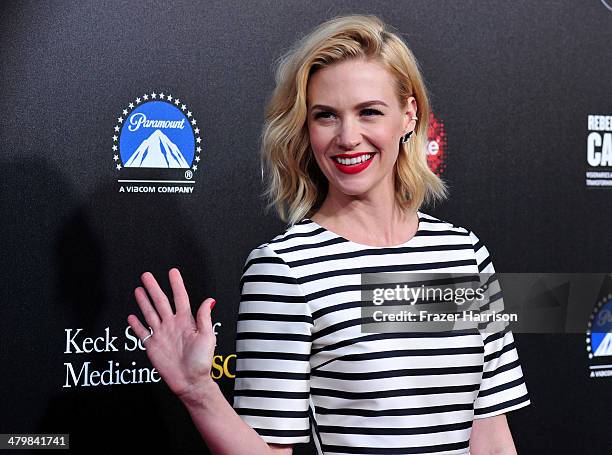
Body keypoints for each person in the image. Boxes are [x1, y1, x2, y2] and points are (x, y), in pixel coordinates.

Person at [127, 14, 530, 455]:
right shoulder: (286, 269)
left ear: (409, 115)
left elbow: (490, 436)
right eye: (326, 116)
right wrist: (197, 391)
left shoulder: (462, 255)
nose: (347, 137)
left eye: (369, 112)